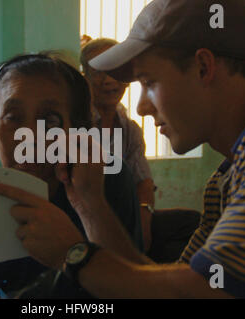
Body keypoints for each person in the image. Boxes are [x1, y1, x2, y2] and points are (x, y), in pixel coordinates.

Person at [0, 0, 245, 298]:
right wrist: (90, 203)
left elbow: (196, 295)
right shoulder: (232, 173)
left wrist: (73, 254)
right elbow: (152, 288)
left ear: (203, 67)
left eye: (148, 82)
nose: (141, 106)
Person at [0, 54, 144, 299]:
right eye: (13, 118)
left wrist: (93, 206)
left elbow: (133, 288)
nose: (30, 136)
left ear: (75, 129)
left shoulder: (107, 179)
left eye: (49, 119)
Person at [81, 38, 156, 253]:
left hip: (124, 217)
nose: (110, 80)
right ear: (85, 76)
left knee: (186, 223)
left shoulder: (130, 129)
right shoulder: (75, 124)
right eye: (100, 72)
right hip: (83, 217)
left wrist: (143, 226)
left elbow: (144, 183)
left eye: (118, 71)